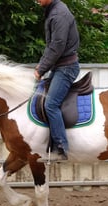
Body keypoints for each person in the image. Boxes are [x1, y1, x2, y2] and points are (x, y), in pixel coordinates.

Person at [35, 0, 80, 161]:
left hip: (66, 68)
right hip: (60, 66)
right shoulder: (53, 10)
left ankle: (61, 147)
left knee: (51, 104)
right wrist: (41, 65)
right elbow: (52, 47)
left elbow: (57, 46)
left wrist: (40, 70)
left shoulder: (58, 14)